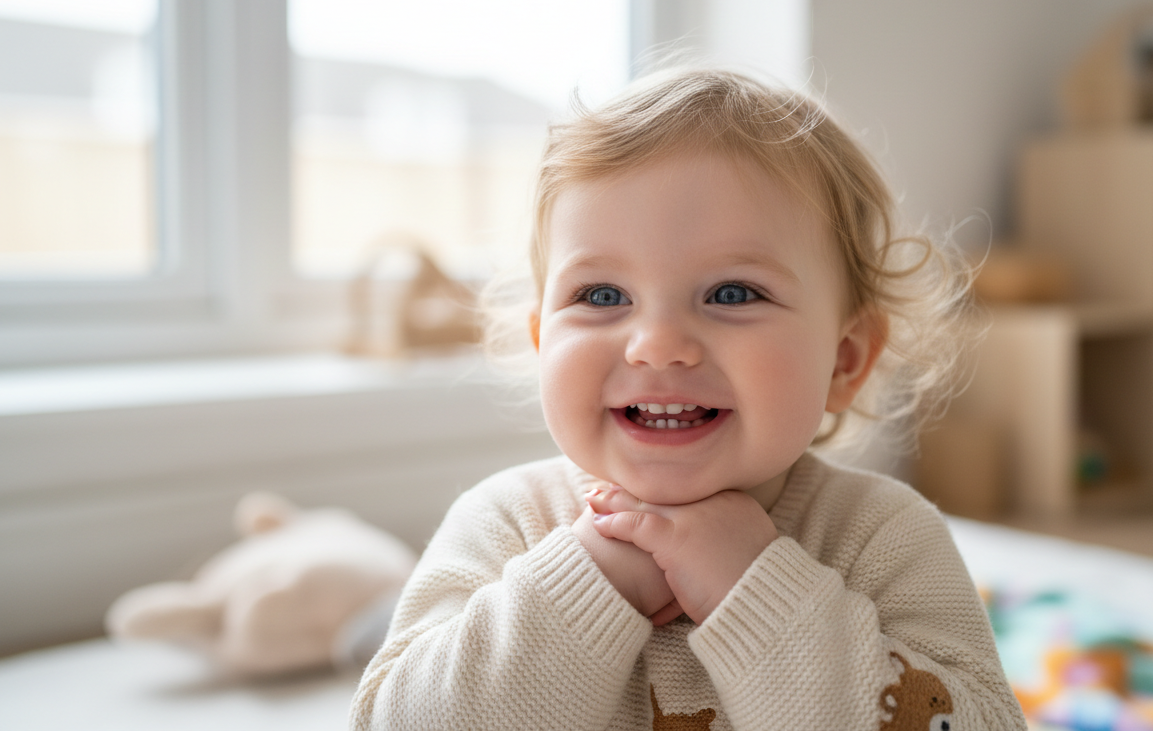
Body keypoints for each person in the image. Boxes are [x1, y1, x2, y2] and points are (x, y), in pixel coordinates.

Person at [349, 68, 1026, 730]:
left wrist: (759, 592)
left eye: (732, 294)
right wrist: (586, 582)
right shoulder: (507, 522)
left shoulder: (881, 535)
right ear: (541, 340)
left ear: (844, 360)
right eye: (602, 296)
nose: (658, 344)